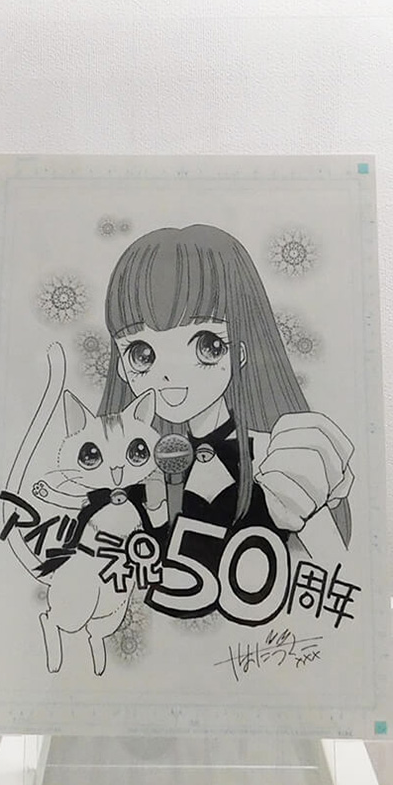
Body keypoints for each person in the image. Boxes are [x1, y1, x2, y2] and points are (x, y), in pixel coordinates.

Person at [97, 224, 353, 585]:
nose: (170, 374)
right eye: (142, 354)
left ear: (241, 350)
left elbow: (337, 576)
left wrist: (313, 501)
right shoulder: (123, 469)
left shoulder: (277, 457)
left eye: (207, 346)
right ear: (122, 366)